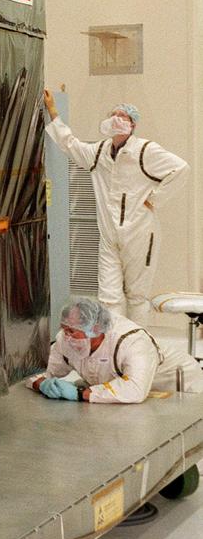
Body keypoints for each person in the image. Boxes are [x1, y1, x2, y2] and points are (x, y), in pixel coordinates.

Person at [44, 92, 188, 324]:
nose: (117, 119)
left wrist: (154, 199)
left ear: (133, 124)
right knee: (108, 296)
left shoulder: (144, 151)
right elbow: (70, 144)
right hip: (109, 235)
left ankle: (137, 343)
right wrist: (53, 111)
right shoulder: (99, 152)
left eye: (123, 116)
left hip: (140, 233)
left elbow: (180, 169)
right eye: (114, 115)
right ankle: (114, 342)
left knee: (136, 296)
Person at [28, 296, 203, 403]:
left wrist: (80, 394)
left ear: (95, 329)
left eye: (72, 332)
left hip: (179, 388)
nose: (66, 337)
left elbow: (135, 389)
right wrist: (42, 384)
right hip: (132, 399)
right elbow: (34, 371)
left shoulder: (132, 341)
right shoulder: (65, 339)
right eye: (64, 329)